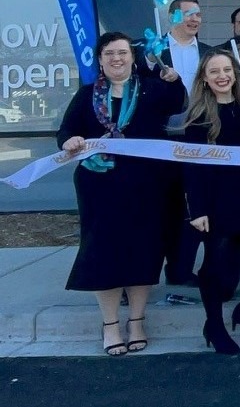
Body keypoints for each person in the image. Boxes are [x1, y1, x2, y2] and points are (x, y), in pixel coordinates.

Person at [57, 31, 186, 356]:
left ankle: (137, 321)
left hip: (147, 187)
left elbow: (178, 103)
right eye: (110, 54)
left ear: (132, 57)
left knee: (143, 251)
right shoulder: (87, 95)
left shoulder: (152, 89)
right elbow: (66, 130)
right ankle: (111, 324)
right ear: (100, 60)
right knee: (104, 254)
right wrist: (69, 142)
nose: (117, 59)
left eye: (123, 53)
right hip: (99, 189)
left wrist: (173, 78)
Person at [183, 50, 240, 355]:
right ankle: (214, 325)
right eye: (214, 72)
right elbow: (191, 167)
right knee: (215, 267)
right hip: (216, 200)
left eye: (226, 70)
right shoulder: (197, 119)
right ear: (204, 80)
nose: (222, 76)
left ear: (235, 73)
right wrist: (197, 209)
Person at [141, 0, 211, 287]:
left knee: (194, 204)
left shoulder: (210, 52)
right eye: (188, 14)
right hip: (158, 140)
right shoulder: (150, 52)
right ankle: (144, 272)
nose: (194, 20)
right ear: (173, 18)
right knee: (158, 207)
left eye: (198, 15)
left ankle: (181, 270)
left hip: (198, 135)